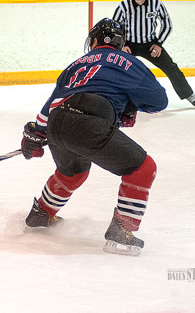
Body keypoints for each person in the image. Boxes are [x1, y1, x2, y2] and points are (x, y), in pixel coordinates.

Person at [21, 18, 168, 256]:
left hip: (57, 121)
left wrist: (36, 134)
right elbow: (159, 101)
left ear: (95, 40)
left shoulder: (76, 64)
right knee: (143, 168)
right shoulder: (128, 61)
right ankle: (122, 233)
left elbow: (52, 103)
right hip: (91, 120)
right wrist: (129, 105)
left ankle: (41, 215)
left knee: (73, 171)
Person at [113, 0, 195, 107]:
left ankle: (188, 94)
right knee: (117, 69)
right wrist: (122, 45)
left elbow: (167, 25)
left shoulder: (156, 4)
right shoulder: (123, 6)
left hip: (150, 45)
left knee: (171, 68)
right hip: (129, 45)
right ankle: (114, 97)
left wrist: (158, 44)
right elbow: (115, 28)